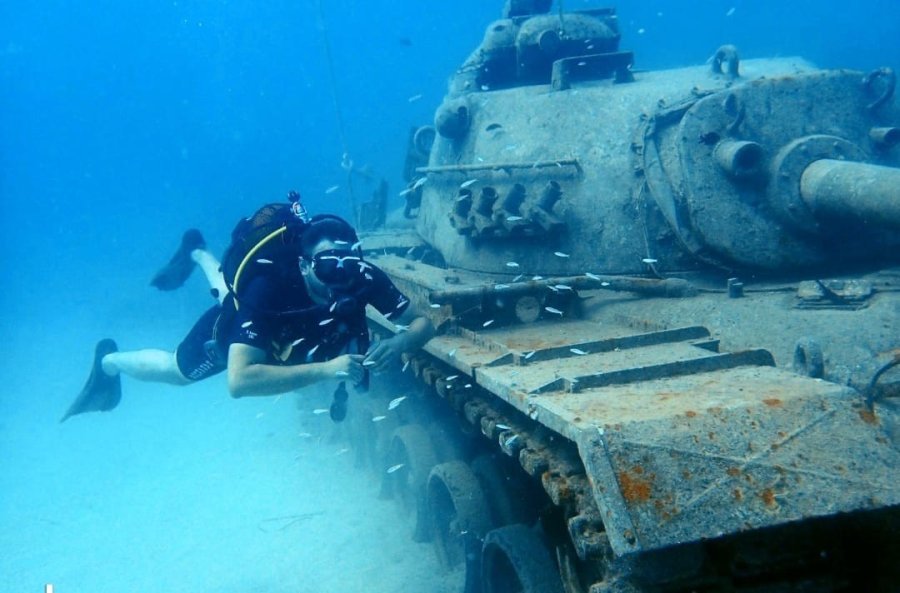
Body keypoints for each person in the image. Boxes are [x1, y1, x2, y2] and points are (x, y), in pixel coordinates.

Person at [62, 205, 434, 422]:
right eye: (326, 265)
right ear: (304, 265)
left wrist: (401, 341)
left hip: (277, 329)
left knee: (225, 290)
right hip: (241, 330)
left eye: (347, 263)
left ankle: (196, 252)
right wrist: (326, 370)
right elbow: (238, 383)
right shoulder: (269, 287)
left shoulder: (363, 276)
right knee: (178, 370)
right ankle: (109, 362)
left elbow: (423, 321)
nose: (339, 276)